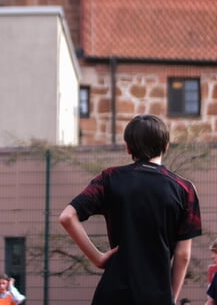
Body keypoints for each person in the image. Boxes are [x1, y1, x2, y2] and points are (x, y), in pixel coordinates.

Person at [59, 113, 202, 305]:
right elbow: (183, 255)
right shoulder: (185, 189)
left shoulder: (110, 178)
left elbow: (67, 217)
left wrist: (98, 258)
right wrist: (171, 298)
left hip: (113, 292)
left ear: (128, 147)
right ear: (166, 145)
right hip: (156, 294)